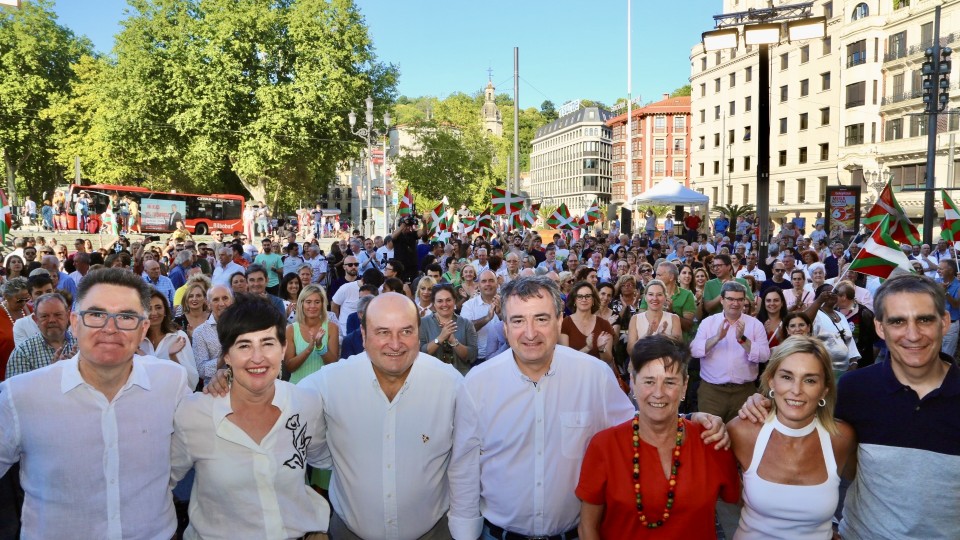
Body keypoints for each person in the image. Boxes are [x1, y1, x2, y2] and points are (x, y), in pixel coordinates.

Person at [447, 277, 728, 540]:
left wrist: (689, 418)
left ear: (559, 321)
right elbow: (465, 466)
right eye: (518, 320)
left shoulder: (594, 375)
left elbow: (633, 426)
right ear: (505, 326)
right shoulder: (478, 383)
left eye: (541, 319)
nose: (530, 333)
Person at [740, 274, 960, 539]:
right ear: (880, 327)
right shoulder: (855, 389)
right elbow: (800, 412)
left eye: (924, 319)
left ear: (945, 322)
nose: (912, 334)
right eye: (898, 321)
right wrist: (763, 401)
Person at [0, 268, 190, 539]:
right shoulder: (20, 395)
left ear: (143, 328)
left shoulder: (171, 381)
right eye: (96, 315)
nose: (109, 328)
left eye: (126, 316)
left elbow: (186, 451)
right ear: (75, 323)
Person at [298, 292, 463, 539]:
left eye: (406, 331)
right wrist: (228, 381)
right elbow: (287, 429)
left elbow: (465, 464)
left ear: (419, 333)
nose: (395, 344)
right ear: (363, 336)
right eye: (383, 332)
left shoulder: (451, 384)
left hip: (435, 532)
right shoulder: (327, 384)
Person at [170, 295, 330, 539]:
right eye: (244, 345)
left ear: (283, 348)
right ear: (227, 356)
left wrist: (314, 527)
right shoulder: (194, 413)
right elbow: (160, 481)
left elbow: (328, 460)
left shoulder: (306, 403)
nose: (257, 357)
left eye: (267, 343)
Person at [576, 335, 740, 538]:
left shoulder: (710, 441)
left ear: (684, 386)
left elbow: (743, 503)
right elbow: (587, 528)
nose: (658, 393)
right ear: (633, 383)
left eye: (670, 382)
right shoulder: (604, 446)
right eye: (649, 381)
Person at [728, 335, 856, 539]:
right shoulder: (742, 431)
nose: (796, 390)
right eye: (787, 377)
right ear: (771, 381)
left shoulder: (841, 438)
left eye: (810, 380)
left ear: (824, 390)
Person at [690, 281, 771, 422]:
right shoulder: (708, 322)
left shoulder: (754, 324)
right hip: (712, 392)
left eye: (740, 299)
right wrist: (717, 338)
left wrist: (742, 339)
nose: (735, 303)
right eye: (731, 299)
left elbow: (764, 356)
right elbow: (694, 351)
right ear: (722, 300)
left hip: (744, 392)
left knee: (742, 438)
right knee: (710, 436)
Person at [139, 290, 199, 390]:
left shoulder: (178, 337)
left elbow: (191, 382)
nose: (154, 313)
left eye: (158, 307)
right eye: (149, 308)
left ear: (165, 310)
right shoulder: (136, 341)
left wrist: (173, 357)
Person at [6, 293, 76, 378]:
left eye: (58, 315)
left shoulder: (82, 345)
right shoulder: (22, 353)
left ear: (67, 316)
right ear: (36, 320)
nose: (52, 320)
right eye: (44, 316)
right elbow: (16, 390)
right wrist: (51, 372)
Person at [284, 284, 339, 384]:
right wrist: (308, 350)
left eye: (317, 302)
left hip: (324, 387)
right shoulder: (291, 329)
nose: (312, 306)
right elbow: (289, 367)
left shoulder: (332, 328)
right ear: (302, 304)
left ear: (323, 304)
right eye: (308, 302)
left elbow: (333, 365)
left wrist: (320, 347)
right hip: (298, 388)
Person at [420, 283, 478, 375]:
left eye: (448, 300)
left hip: (460, 379)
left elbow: (472, 356)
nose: (444, 304)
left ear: (454, 300)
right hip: (432, 378)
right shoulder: (423, 323)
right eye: (439, 301)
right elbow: (420, 354)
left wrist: (453, 341)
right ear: (433, 303)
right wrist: (440, 338)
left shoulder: (466, 324)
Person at [806, 283, 860, 380]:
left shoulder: (841, 316)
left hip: (845, 371)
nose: (831, 294)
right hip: (824, 372)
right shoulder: (815, 315)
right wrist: (819, 301)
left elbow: (850, 342)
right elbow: (805, 321)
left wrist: (854, 363)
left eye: (835, 292)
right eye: (827, 292)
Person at [560, 282, 616, 369]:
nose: (584, 299)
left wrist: (601, 349)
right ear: (574, 300)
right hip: (573, 374)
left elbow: (608, 360)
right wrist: (587, 348)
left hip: (597, 376)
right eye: (580, 296)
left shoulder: (604, 324)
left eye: (588, 296)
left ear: (593, 300)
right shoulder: (565, 323)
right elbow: (566, 360)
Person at [192, 285, 234, 385]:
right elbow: (202, 371)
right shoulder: (200, 332)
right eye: (215, 300)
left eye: (225, 298)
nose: (221, 303)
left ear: (232, 301)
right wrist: (226, 354)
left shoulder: (244, 325)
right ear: (208, 304)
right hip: (215, 389)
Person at [628, 279, 682, 351]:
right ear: (645, 297)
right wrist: (647, 335)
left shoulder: (674, 318)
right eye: (650, 294)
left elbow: (680, 347)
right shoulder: (635, 319)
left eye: (659, 294)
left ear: (665, 297)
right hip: (641, 361)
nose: (655, 298)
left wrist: (665, 336)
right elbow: (630, 351)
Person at [460, 270, 500, 364]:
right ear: (478, 285)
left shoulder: (507, 303)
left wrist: (501, 315)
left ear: (497, 284)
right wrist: (487, 318)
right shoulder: (468, 305)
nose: (488, 284)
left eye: (491, 280)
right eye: (484, 281)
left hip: (502, 356)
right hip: (477, 359)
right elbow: (465, 330)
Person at [0, 277, 31, 381]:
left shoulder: (30, 311)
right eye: (19, 300)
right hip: (3, 374)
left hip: (28, 372)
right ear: (6, 297)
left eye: (26, 299)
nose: (23, 303)